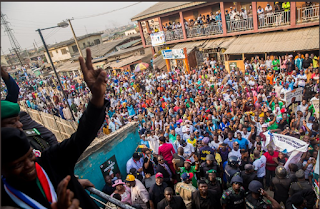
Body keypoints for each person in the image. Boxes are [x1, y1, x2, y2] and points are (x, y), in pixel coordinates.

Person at [1, 48, 110, 208]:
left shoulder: (50, 161)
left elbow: (83, 135)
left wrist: (97, 97)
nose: (30, 165)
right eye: (18, 164)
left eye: (30, 156)